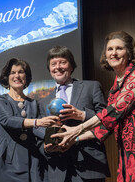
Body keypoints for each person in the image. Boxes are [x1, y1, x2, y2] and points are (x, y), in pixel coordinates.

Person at [53, 31, 135, 182]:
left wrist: (77, 129)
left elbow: (117, 109)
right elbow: (106, 127)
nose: (114, 53)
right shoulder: (113, 91)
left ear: (129, 53)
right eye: (110, 49)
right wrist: (74, 139)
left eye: (119, 48)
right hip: (132, 158)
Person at [38, 46, 110, 182]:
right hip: (58, 170)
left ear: (71, 66)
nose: (58, 67)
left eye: (63, 62)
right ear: (49, 69)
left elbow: (106, 119)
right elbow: (41, 136)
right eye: (53, 64)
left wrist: (82, 115)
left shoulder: (91, 87)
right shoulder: (43, 102)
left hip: (89, 165)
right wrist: (47, 149)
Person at [0, 58, 60, 182]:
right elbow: (8, 120)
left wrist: (54, 135)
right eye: (13, 72)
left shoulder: (34, 103)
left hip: (33, 160)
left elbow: (40, 131)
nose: (17, 76)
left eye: (21, 72)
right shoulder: (0, 99)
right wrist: (36, 122)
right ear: (6, 78)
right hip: (7, 159)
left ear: (26, 77)